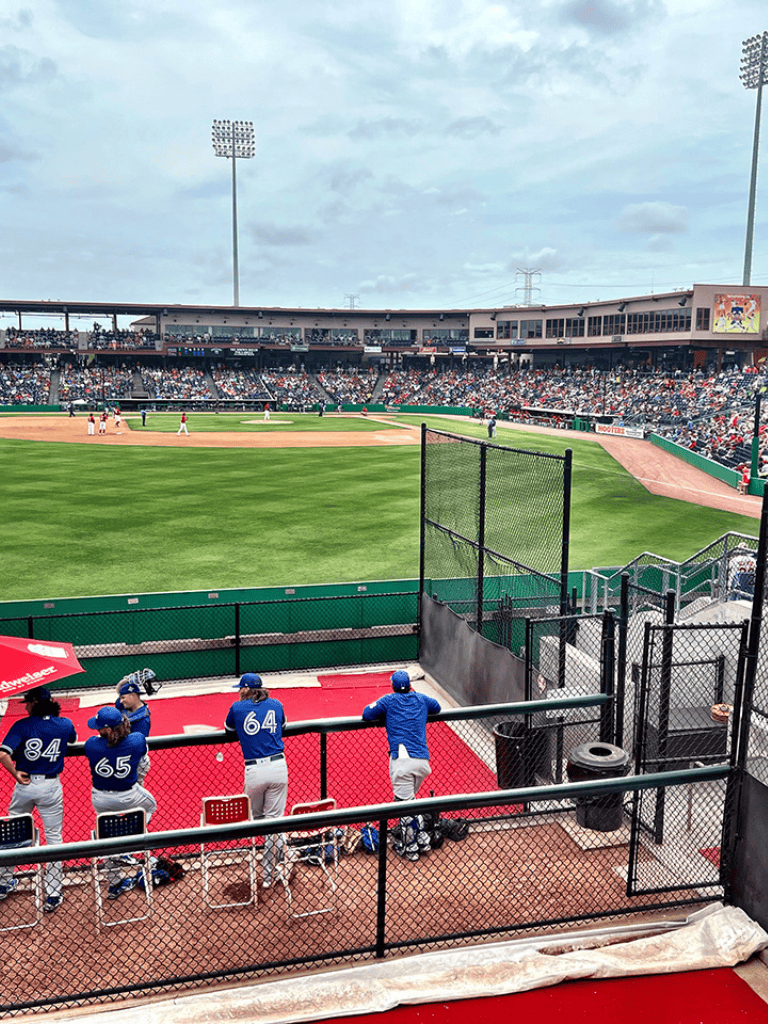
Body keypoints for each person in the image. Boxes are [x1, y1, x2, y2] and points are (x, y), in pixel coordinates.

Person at [0, 687, 77, 912]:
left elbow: (3, 753)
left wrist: (15, 773)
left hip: (24, 786)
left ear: (35, 703)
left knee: (11, 835)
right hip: (51, 786)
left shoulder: (22, 725)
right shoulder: (65, 724)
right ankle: (53, 892)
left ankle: (3, 883)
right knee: (53, 839)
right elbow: (73, 739)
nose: (25, 706)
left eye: (28, 702)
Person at [362, 670, 441, 861]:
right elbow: (437, 707)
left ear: (393, 686)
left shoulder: (388, 700)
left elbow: (366, 713)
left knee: (403, 806)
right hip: (423, 762)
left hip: (403, 763)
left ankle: (411, 849)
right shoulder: (421, 698)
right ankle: (422, 839)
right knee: (410, 802)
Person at [84, 706, 156, 899]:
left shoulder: (91, 745)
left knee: (106, 836)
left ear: (107, 729)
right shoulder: (136, 740)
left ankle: (115, 883)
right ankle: (129, 845)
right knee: (151, 805)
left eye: (100, 727)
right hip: (130, 796)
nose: (97, 729)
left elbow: (101, 742)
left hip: (101, 800)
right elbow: (142, 756)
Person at [224, 673, 288, 889]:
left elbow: (229, 730)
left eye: (240, 688)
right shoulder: (276, 703)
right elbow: (284, 725)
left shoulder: (237, 708)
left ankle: (270, 873)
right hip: (279, 767)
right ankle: (276, 868)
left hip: (254, 770)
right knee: (274, 821)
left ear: (245, 690)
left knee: (259, 819)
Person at [114, 678, 152, 784]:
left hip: (134, 761)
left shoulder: (142, 720)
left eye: (123, 697)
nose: (120, 700)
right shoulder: (126, 705)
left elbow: (137, 746)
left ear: (132, 696)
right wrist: (125, 682)